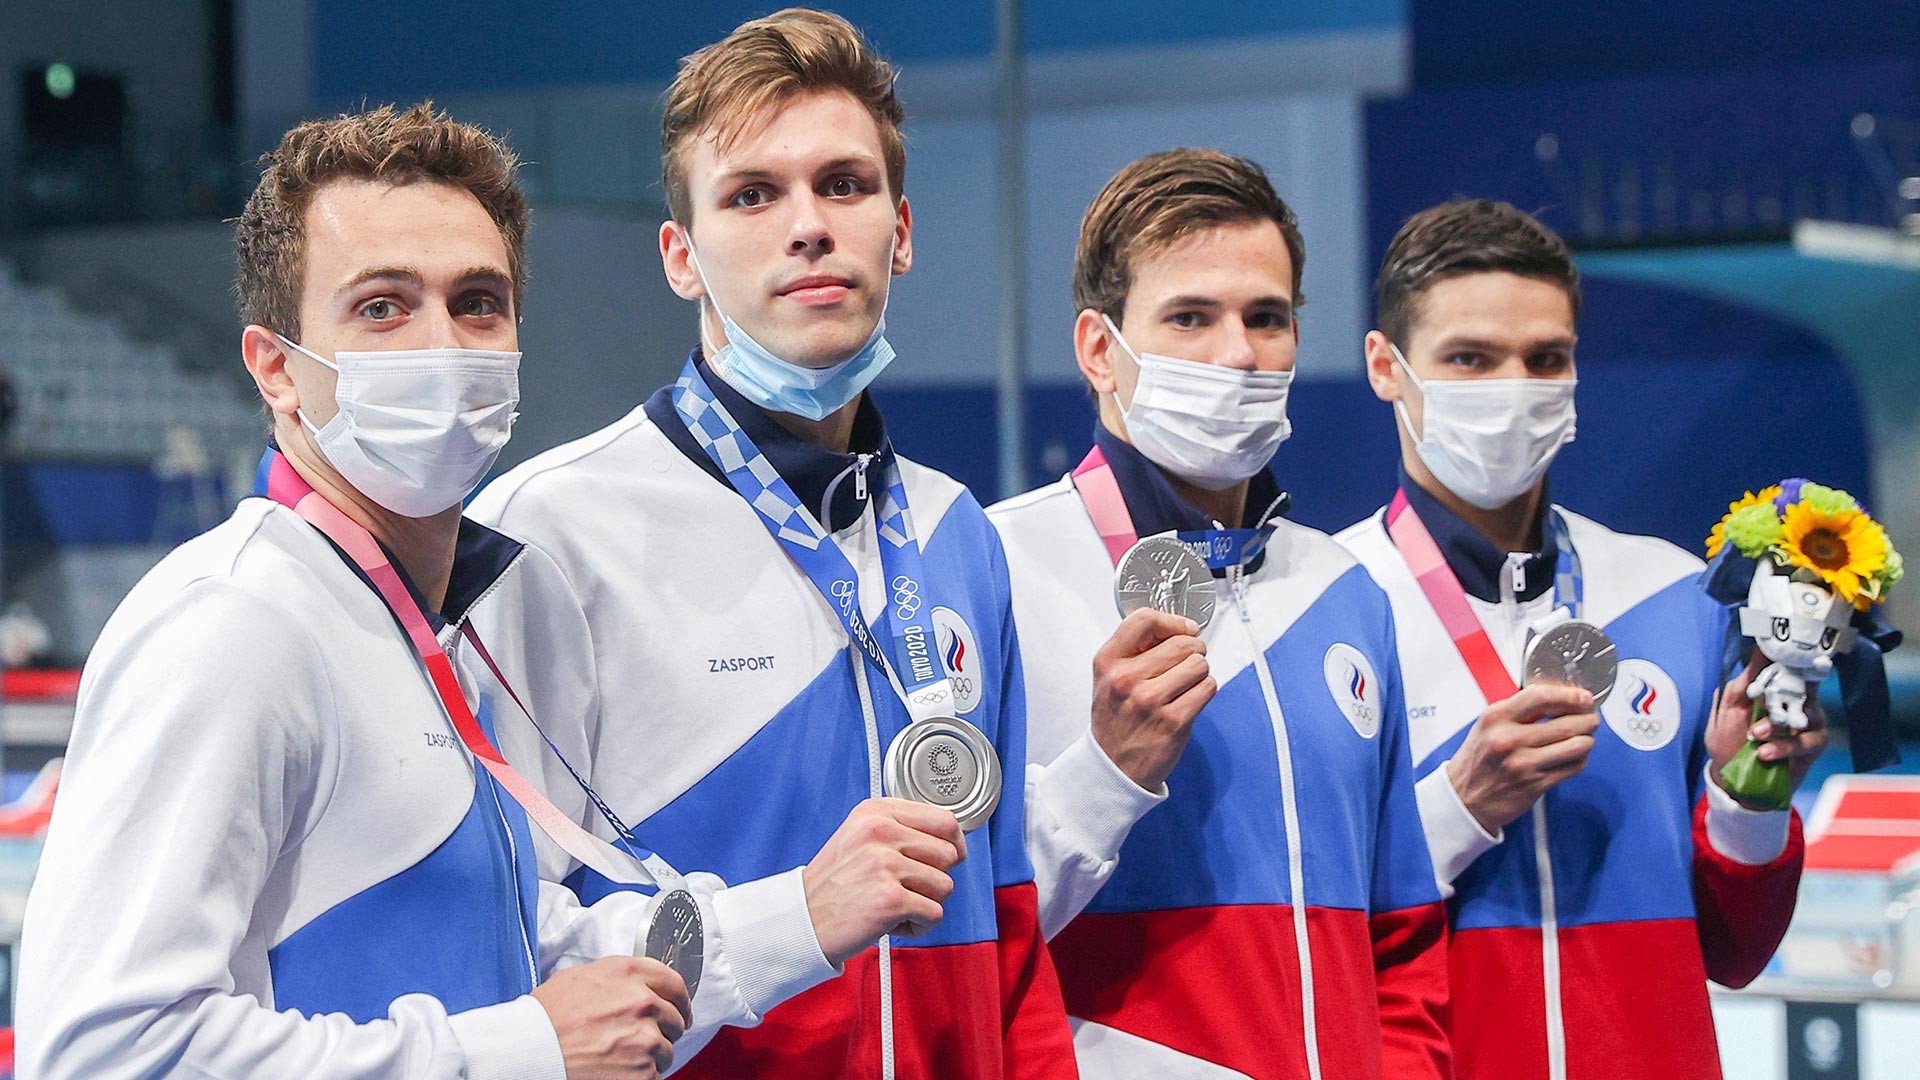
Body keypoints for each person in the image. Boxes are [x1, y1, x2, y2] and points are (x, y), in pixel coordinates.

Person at [18, 104, 705, 1079]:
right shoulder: (234, 626)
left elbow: (499, 933)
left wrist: (808, 915)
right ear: (277, 369)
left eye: (477, 301)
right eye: (382, 306)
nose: (444, 343)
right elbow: (102, 1053)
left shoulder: (449, 614)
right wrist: (518, 1052)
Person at [464, 10, 1076, 1078]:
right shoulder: (549, 533)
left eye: (844, 185)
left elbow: (1009, 919)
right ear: (680, 256)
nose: (808, 226)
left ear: (903, 229)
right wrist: (791, 918)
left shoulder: (953, 532)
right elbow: (514, 943)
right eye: (753, 194)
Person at [1335, 198, 1822, 1080]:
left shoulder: (1673, 593)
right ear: (1385, 366)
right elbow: (1297, 946)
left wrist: (1751, 800)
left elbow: (1736, 951)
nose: (1512, 387)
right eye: (1470, 359)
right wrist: (1456, 811)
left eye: (1545, 359)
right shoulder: (1327, 609)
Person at [988, 148, 1449, 1080]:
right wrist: (1105, 774)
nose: (1237, 353)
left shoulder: (1343, 588)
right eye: (1190, 317)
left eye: (1266, 318)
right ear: (1097, 349)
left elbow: (1402, 934)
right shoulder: (993, 569)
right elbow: (952, 938)